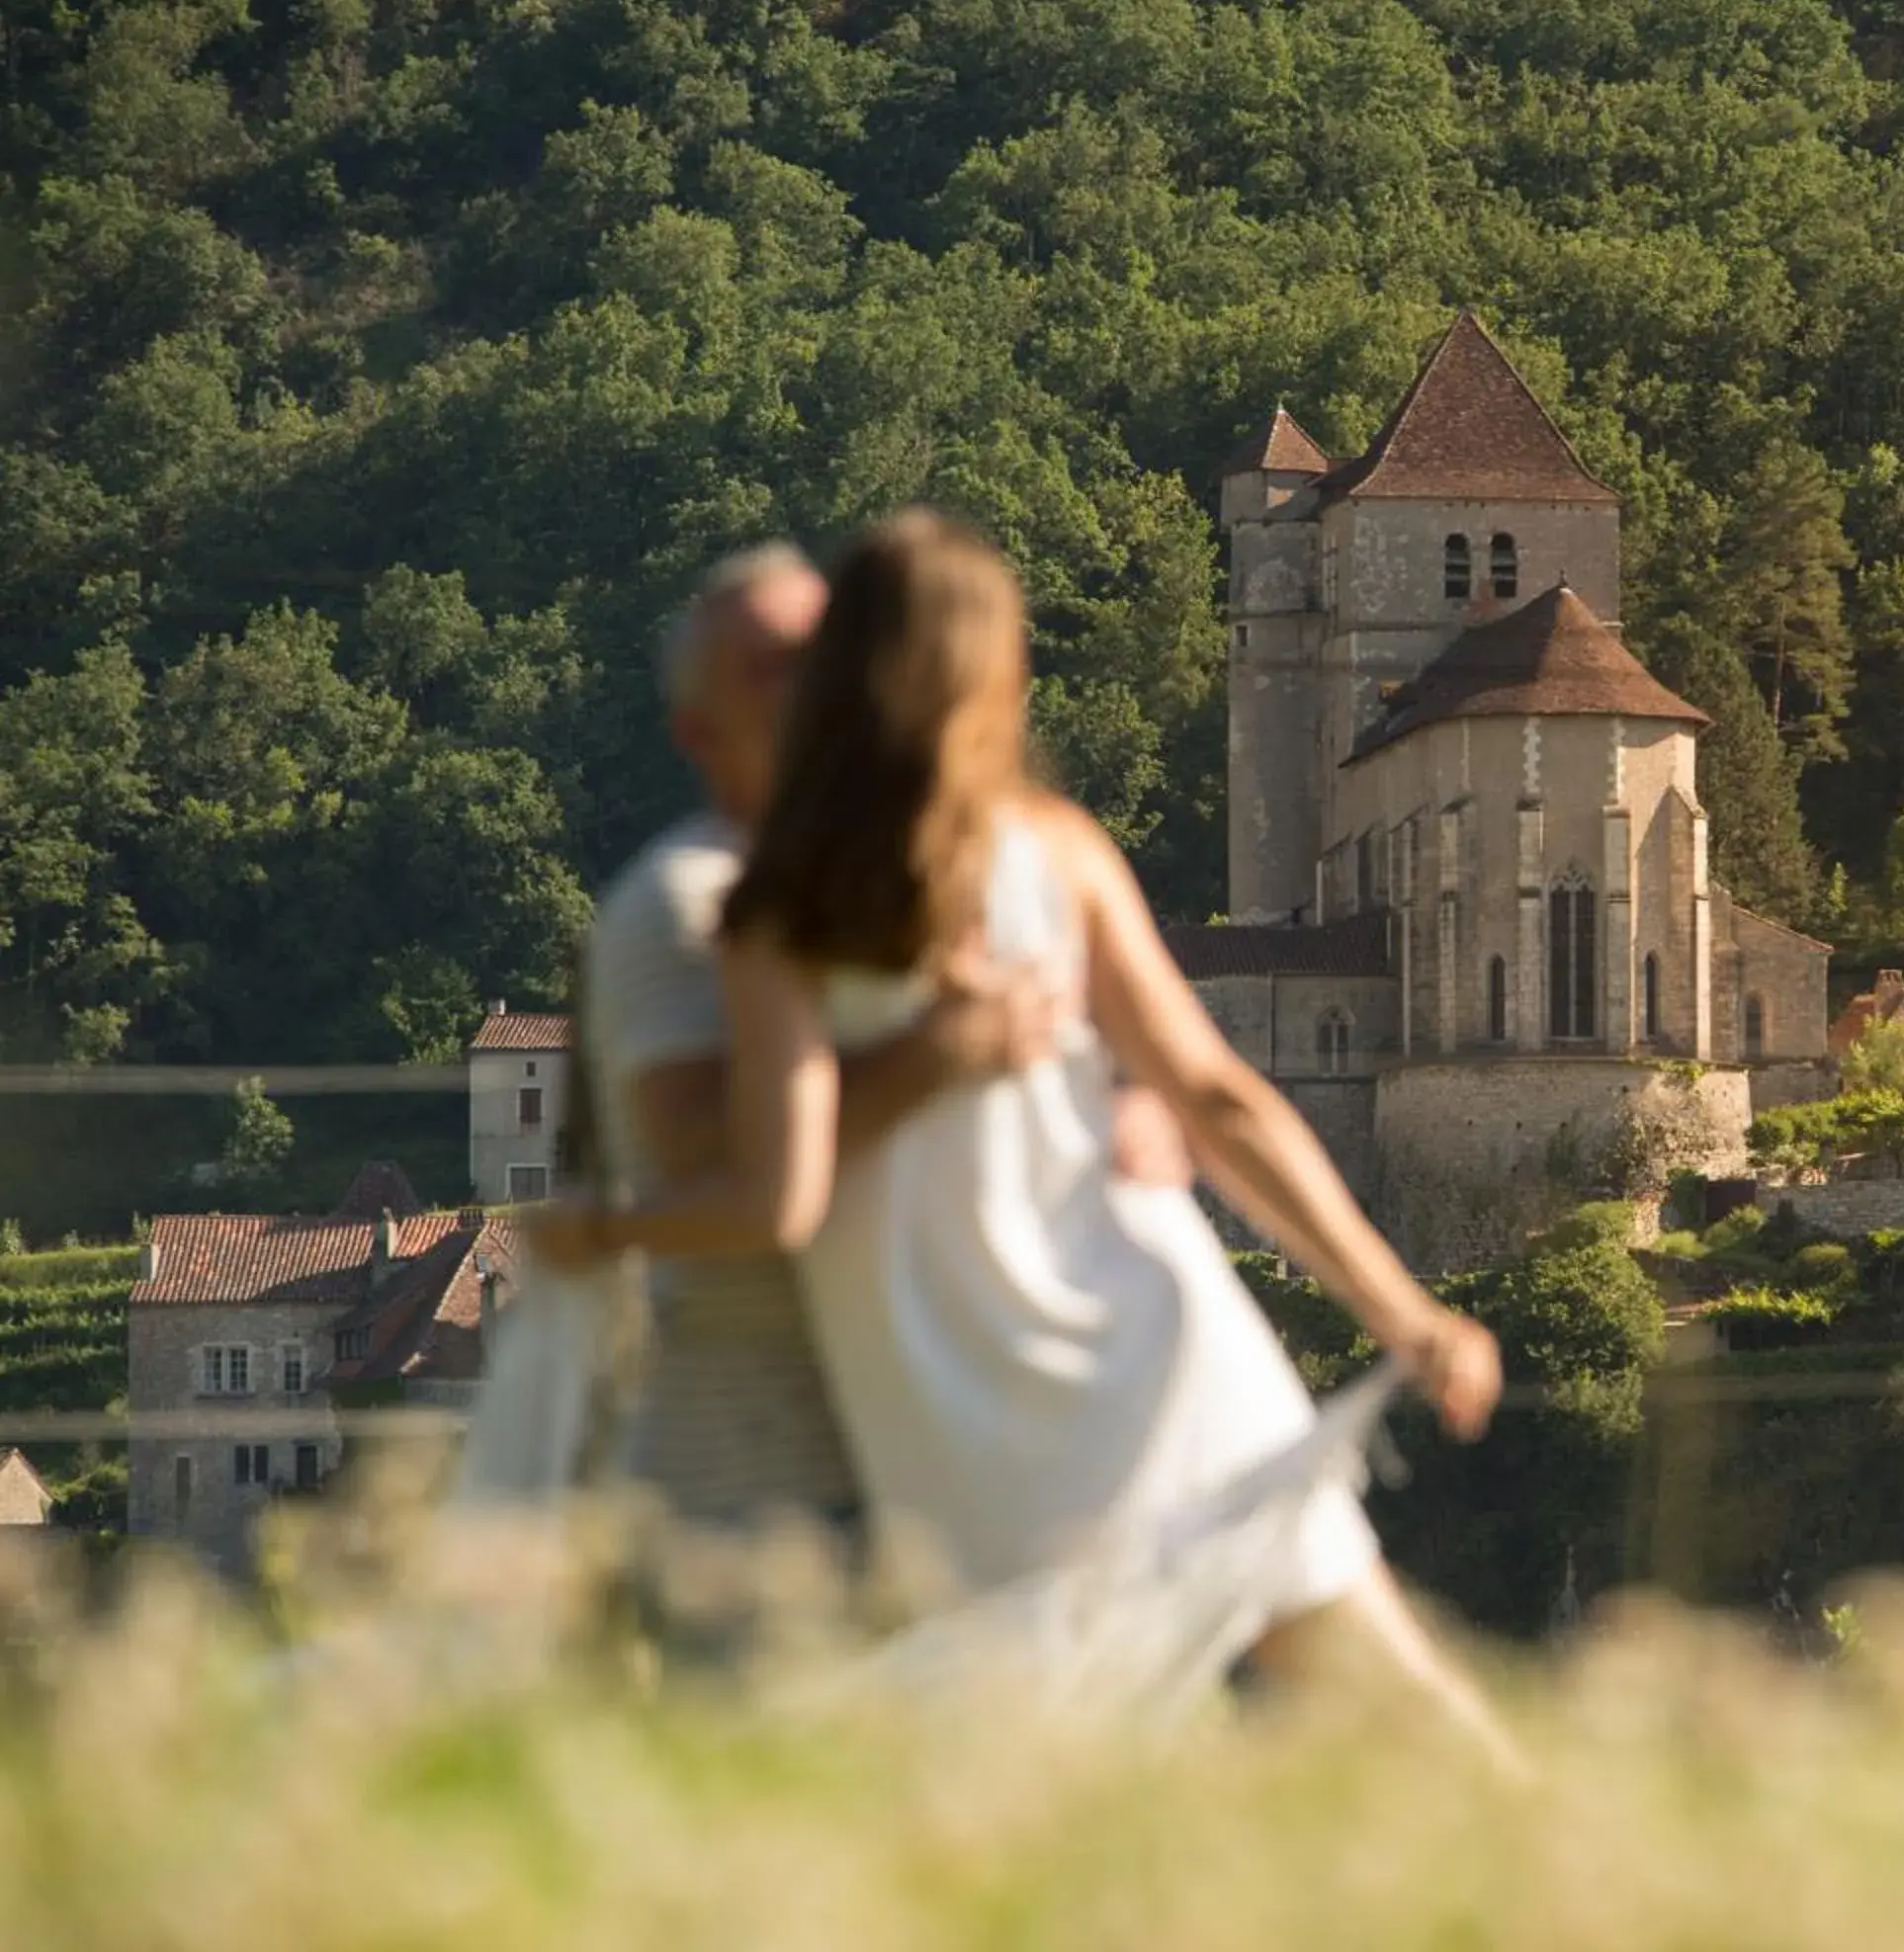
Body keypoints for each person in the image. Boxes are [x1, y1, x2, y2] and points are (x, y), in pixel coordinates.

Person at [535, 514, 1512, 1751]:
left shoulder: (776, 911)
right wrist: (1404, 1311)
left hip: (954, 1405)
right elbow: (1224, 1099)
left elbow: (776, 1199)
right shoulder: (1057, 851)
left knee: (1039, 1762)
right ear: (1000, 679)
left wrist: (594, 1227)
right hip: (1157, 1329)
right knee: (1393, 1698)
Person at [573, 543, 1189, 1537]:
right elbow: (714, 1166)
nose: (816, 686)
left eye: (829, 652)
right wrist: (944, 1054)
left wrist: (1115, 1112)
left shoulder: (916, 875)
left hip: (931, 1433)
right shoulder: (686, 904)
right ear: (697, 731)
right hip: (756, 1470)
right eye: (769, 668)